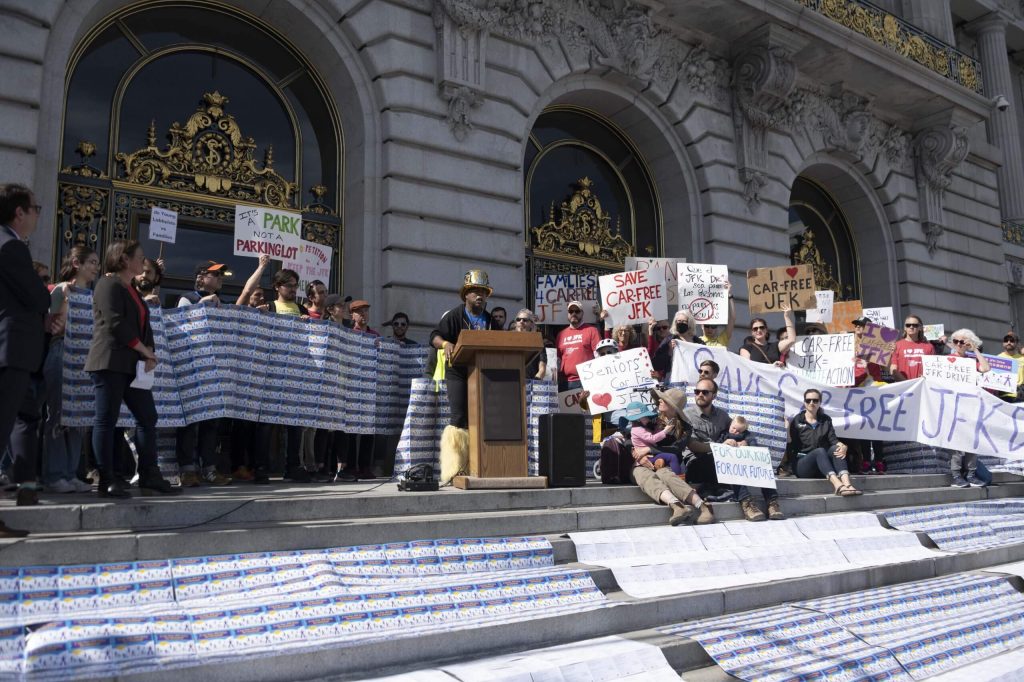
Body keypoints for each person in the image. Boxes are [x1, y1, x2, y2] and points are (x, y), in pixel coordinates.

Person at [85, 240, 177, 498]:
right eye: (139, 257)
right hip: (110, 361)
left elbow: (143, 325)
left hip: (132, 365)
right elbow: (116, 323)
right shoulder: (108, 284)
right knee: (106, 419)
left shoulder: (133, 290)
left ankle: (149, 474)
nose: (143, 262)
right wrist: (143, 349)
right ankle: (106, 478)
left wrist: (150, 350)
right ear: (124, 259)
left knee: (147, 417)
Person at [0, 184, 52, 525]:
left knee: (17, 419)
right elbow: (38, 297)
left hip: (13, 352)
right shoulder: (11, 247)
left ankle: (26, 483)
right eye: (36, 208)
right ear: (19, 212)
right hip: (10, 351)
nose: (37, 214)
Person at [42, 245, 99, 493]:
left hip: (85, 359)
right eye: (92, 262)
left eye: (98, 263)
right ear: (77, 263)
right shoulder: (61, 289)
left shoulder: (95, 296)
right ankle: (54, 475)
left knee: (79, 417)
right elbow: (49, 325)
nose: (96, 267)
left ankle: (70, 471)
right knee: (57, 415)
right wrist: (63, 312)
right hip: (62, 352)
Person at [431, 270, 493, 484]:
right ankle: (454, 468)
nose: (480, 295)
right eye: (475, 291)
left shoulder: (490, 319)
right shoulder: (455, 315)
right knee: (459, 418)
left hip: (481, 372)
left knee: (480, 419)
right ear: (465, 295)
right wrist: (446, 344)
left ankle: (479, 465)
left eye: (483, 292)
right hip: (457, 372)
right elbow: (434, 336)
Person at [174, 260, 232, 488]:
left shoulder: (222, 303)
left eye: (221, 275)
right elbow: (180, 325)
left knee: (212, 423)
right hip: (192, 366)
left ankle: (209, 468)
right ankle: (187, 469)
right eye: (215, 275)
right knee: (191, 420)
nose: (220, 279)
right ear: (201, 276)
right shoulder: (187, 298)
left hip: (215, 368)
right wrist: (201, 305)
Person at [252, 269, 312, 484]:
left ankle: (293, 466)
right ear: (277, 287)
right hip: (271, 375)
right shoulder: (268, 308)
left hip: (295, 375)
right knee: (266, 425)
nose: (294, 289)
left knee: (294, 424)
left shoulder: (302, 309)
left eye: (296, 285)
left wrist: (309, 326)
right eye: (289, 285)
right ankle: (261, 467)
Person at [630, 387, 715, 525]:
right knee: (642, 474)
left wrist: (648, 449)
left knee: (666, 475)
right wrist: (637, 453)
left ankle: (704, 507)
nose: (660, 401)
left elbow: (676, 449)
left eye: (664, 400)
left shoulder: (685, 428)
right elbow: (630, 435)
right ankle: (678, 507)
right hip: (643, 462)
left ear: (673, 407)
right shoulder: (650, 418)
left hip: (669, 464)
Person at [782, 388, 861, 496]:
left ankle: (847, 484)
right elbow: (790, 444)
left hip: (822, 465)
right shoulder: (797, 420)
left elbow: (833, 440)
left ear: (820, 402)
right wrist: (786, 430)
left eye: (815, 400)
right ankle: (838, 485)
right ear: (804, 402)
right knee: (819, 451)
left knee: (836, 448)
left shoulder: (826, 419)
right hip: (802, 465)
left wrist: (843, 446)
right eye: (808, 400)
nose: (811, 403)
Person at [948, 328, 990, 489]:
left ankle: (971, 475)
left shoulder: (971, 361)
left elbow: (985, 368)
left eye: (963, 342)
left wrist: (975, 350)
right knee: (956, 444)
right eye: (956, 341)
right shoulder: (946, 360)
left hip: (970, 407)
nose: (959, 344)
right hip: (953, 407)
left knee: (972, 442)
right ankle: (956, 475)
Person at [681, 378, 735, 502]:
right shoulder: (686, 415)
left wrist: (743, 440)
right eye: (697, 391)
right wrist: (720, 447)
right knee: (708, 459)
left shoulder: (722, 415)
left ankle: (767, 500)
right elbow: (692, 445)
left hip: (719, 463)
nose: (700, 395)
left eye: (705, 392)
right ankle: (720, 491)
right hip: (696, 463)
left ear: (714, 395)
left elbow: (738, 431)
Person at [556, 300, 601, 391]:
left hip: (586, 381)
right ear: (568, 314)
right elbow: (557, 360)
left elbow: (599, 356)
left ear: (582, 313)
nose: (574, 314)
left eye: (577, 311)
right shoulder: (561, 334)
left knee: (584, 406)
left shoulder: (592, 330)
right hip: (565, 383)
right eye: (571, 311)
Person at [652, 310, 702, 379]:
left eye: (684, 321)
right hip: (673, 379)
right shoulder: (668, 340)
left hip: (693, 379)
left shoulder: (698, 342)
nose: (681, 323)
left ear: (689, 323)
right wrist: (669, 351)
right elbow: (656, 364)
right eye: (678, 321)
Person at [889, 314, 933, 381]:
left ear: (920, 328)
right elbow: (893, 368)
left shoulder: (929, 346)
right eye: (908, 325)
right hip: (903, 386)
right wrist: (907, 384)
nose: (911, 327)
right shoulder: (896, 345)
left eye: (915, 325)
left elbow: (932, 369)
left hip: (923, 385)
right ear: (905, 328)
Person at [698, 282, 735, 347]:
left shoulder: (722, 339)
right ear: (702, 325)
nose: (710, 329)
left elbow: (732, 318)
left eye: (713, 326)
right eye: (707, 326)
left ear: (716, 327)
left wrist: (729, 295)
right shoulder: (696, 341)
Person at [512, 309, 546, 379]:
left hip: (530, 383)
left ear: (531, 324)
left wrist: (535, 382)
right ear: (515, 323)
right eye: (518, 319)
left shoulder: (537, 342)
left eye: (525, 320)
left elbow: (542, 369)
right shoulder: (508, 341)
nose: (521, 322)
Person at [998, 330, 1023, 402]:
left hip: (1021, 395)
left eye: (1012, 340)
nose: (1008, 342)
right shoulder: (997, 358)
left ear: (1017, 343)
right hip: (1004, 396)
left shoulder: (1022, 359)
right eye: (1006, 340)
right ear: (1003, 343)